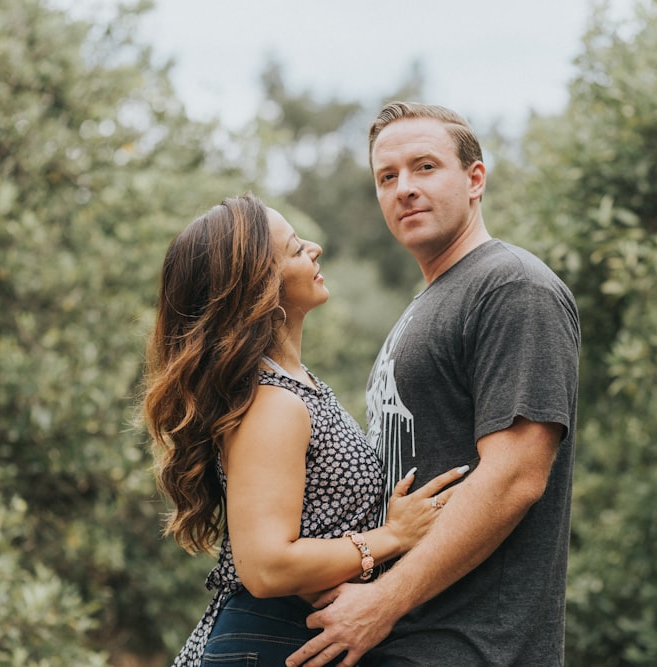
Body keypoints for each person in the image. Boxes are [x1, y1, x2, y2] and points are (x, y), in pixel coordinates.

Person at [286, 102, 581, 667]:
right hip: (405, 642)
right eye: (387, 177)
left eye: (425, 167)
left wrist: (383, 602)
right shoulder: (431, 302)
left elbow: (515, 476)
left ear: (474, 179)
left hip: (470, 647)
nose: (404, 189)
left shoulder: (512, 287)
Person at [143, 193, 468, 666]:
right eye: (296, 249)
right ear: (260, 289)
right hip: (270, 640)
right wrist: (393, 537)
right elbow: (266, 567)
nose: (314, 248)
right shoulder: (273, 403)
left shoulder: (294, 386)